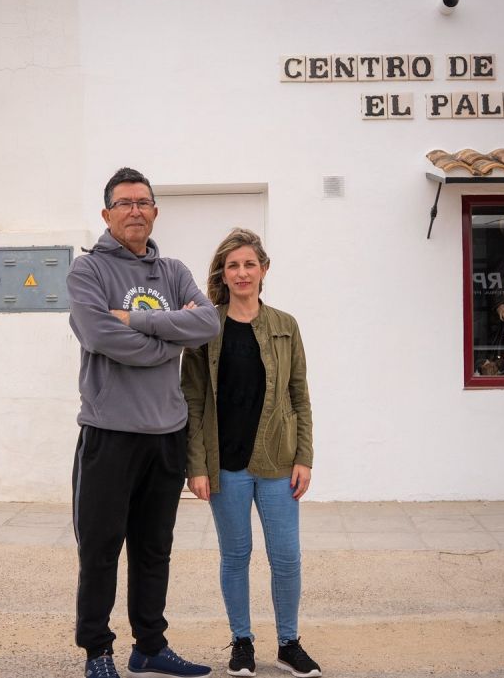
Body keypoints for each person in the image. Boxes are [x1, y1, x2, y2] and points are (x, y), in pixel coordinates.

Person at [68, 167, 220, 678]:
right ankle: (98, 653)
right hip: (109, 433)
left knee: (155, 550)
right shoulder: (87, 271)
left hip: (165, 436)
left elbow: (208, 322)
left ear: (155, 212)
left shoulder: (173, 270)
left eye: (143, 202)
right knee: (101, 549)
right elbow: (98, 333)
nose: (135, 210)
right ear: (107, 213)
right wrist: (169, 341)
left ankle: (150, 647)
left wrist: (137, 319)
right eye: (125, 202)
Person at [181, 229, 321, 678]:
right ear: (224, 274)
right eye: (233, 265)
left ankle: (288, 643)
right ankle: (242, 642)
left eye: (249, 264)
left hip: (278, 461)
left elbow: (300, 396)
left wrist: (305, 457)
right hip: (226, 465)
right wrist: (196, 466)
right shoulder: (207, 326)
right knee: (235, 556)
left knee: (286, 557)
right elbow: (194, 399)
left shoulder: (286, 325)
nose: (242, 273)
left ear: (263, 269)